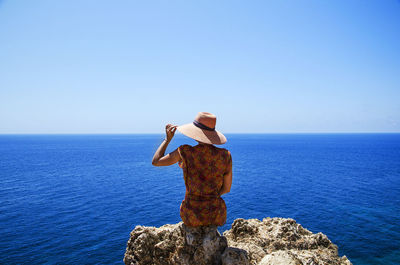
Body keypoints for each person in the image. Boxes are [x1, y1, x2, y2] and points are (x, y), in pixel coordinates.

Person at [152, 112, 232, 227]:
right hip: (216, 215)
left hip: (191, 215)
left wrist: (167, 140)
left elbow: (156, 161)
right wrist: (210, 197)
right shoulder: (225, 155)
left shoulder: (185, 152)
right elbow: (227, 189)